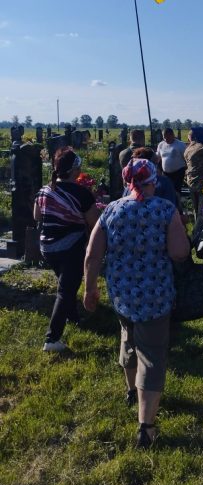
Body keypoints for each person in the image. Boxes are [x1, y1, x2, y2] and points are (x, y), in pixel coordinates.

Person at [83, 158, 190, 448]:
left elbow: (93, 254)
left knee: (128, 337)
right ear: (153, 180)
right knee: (152, 356)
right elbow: (179, 253)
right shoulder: (166, 210)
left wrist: (90, 288)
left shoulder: (112, 210)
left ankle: (131, 390)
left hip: (122, 294)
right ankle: (146, 426)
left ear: (126, 181)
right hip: (155, 295)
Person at [33, 148, 99, 352]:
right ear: (75, 169)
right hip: (71, 247)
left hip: (47, 247)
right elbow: (94, 222)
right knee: (65, 290)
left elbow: (37, 216)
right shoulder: (81, 193)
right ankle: (52, 339)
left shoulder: (45, 190)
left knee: (66, 284)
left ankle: (73, 317)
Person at [157, 128, 186, 193]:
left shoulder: (180, 145)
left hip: (178, 173)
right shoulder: (161, 145)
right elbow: (158, 157)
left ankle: (177, 203)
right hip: (165, 174)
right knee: (166, 191)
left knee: (176, 191)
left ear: (172, 135)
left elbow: (186, 158)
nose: (166, 139)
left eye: (168, 137)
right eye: (164, 137)